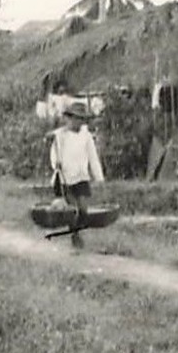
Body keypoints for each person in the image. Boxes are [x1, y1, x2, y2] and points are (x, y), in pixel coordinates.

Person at [48, 99, 105, 248]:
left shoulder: (86, 137)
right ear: (69, 118)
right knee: (72, 211)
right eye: (75, 118)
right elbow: (54, 153)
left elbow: (93, 158)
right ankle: (75, 235)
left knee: (84, 210)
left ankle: (76, 232)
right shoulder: (61, 136)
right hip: (65, 178)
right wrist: (56, 164)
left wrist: (99, 177)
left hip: (81, 178)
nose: (78, 122)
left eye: (81, 119)